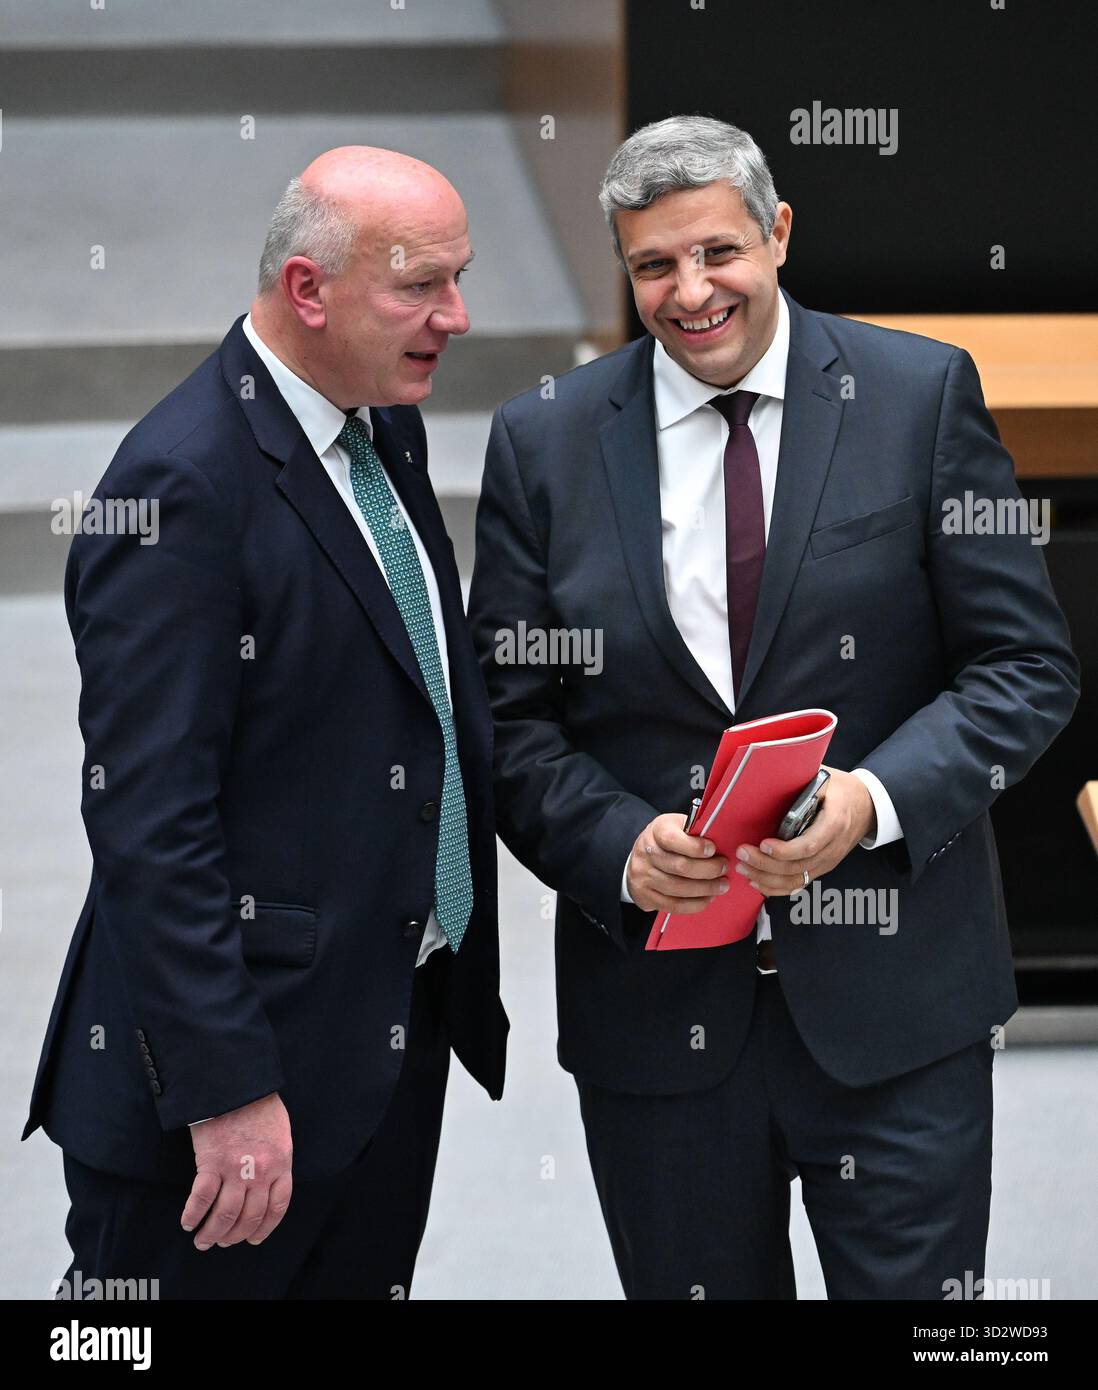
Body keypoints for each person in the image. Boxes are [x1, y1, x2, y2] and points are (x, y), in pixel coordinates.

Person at [467, 115, 1079, 1300]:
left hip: (899, 1014)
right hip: (658, 1029)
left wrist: (875, 800)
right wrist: (615, 846)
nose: (691, 293)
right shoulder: (542, 444)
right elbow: (514, 724)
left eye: (718, 253)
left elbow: (1025, 667)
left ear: (779, 233)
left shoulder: (918, 394)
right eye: (654, 265)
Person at [23, 146, 508, 1300]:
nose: (459, 314)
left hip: (380, 1040)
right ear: (308, 289)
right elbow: (152, 821)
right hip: (230, 1103)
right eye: (421, 287)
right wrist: (227, 1087)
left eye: (461, 276)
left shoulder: (381, 421)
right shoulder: (182, 489)